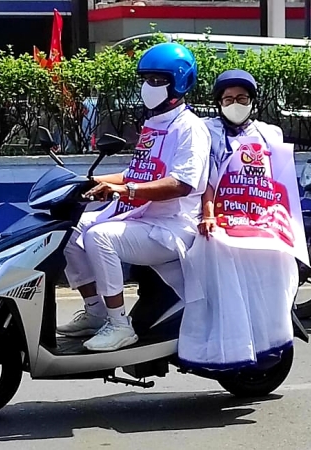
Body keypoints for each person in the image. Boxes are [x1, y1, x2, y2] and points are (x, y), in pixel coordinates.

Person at [56, 42, 211, 351]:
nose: (148, 87)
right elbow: (136, 173)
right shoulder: (155, 124)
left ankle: (119, 325)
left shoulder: (190, 129)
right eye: (146, 79)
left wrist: (125, 191)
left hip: (172, 226)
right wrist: (87, 182)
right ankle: (96, 313)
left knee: (100, 237)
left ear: (180, 82)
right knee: (69, 231)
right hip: (142, 217)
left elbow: (182, 184)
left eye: (157, 80)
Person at [177, 69, 309, 369]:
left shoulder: (268, 133)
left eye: (241, 98)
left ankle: (271, 339)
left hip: (262, 218)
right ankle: (227, 345)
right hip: (223, 216)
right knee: (216, 249)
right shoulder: (207, 131)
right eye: (228, 99)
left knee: (278, 260)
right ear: (218, 103)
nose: (235, 103)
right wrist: (209, 215)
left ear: (252, 101)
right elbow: (206, 179)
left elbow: (279, 181)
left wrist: (283, 221)